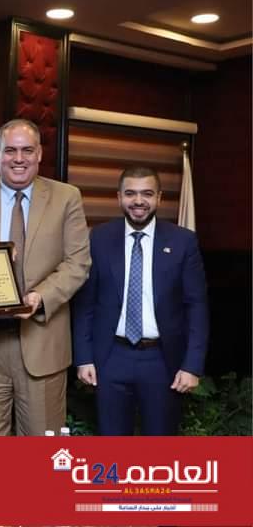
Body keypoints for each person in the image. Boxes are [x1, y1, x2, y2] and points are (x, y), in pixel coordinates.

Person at [0, 118, 90, 436]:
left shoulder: (66, 197)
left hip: (41, 343)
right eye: (10, 150)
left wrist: (40, 298)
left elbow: (78, 262)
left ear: (39, 154)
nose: (18, 158)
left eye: (27, 150)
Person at [73, 166, 209, 435]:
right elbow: (86, 304)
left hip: (162, 360)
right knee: (112, 445)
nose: (138, 201)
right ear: (119, 197)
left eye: (147, 193)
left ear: (159, 197)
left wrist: (192, 365)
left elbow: (197, 306)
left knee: (159, 445)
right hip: (111, 358)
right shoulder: (99, 238)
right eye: (130, 193)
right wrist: (84, 358)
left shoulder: (183, 241)